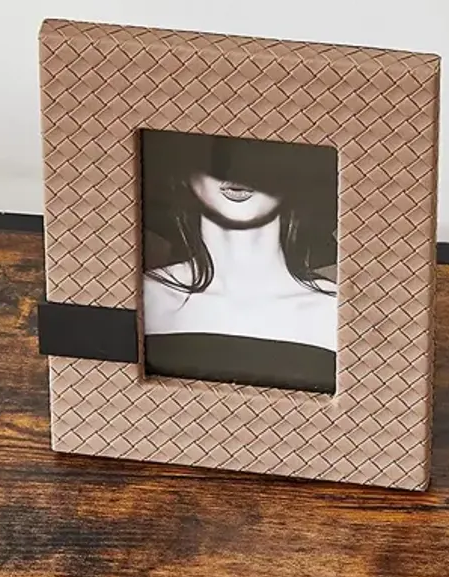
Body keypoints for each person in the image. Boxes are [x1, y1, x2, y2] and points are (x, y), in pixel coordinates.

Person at [142, 131, 339, 395]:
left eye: (261, 150)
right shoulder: (145, 299)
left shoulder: (334, 313)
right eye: (218, 148)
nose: (236, 167)